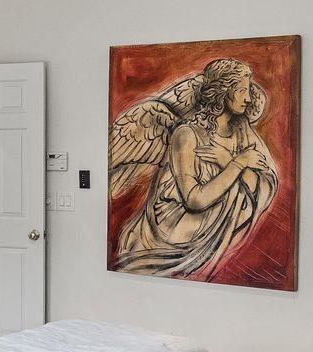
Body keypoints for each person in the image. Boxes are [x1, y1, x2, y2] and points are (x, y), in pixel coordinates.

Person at [111, 58, 278, 278]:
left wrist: (228, 160)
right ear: (224, 92)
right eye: (242, 91)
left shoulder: (242, 132)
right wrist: (237, 163)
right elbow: (194, 200)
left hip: (207, 245)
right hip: (167, 240)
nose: (248, 98)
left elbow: (262, 187)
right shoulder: (186, 135)